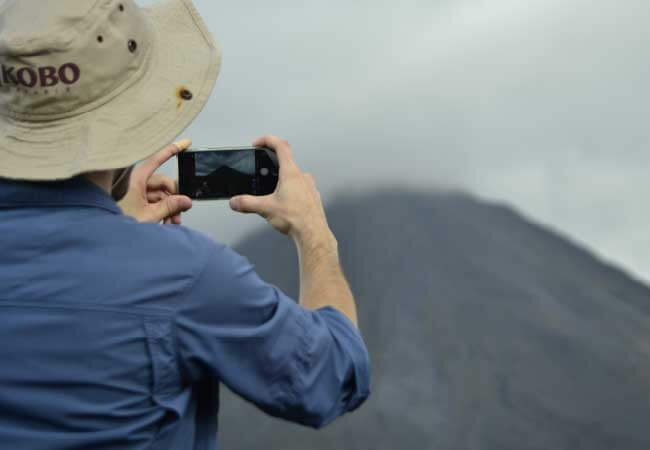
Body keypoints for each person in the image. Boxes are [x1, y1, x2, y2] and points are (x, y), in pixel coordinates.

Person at [0, 1, 370, 449]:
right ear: (129, 112)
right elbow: (331, 378)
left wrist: (115, 224)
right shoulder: (184, 275)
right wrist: (313, 233)